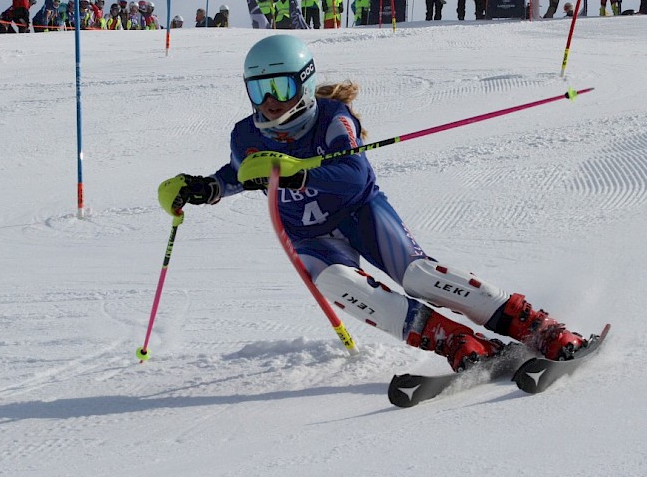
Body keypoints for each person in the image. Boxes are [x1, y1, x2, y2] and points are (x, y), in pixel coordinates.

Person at [157, 35, 592, 373]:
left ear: (304, 82)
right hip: (309, 236)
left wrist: (299, 170)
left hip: (360, 213)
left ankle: (534, 326)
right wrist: (204, 188)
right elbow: (240, 172)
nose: (271, 102)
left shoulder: (331, 117)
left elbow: (354, 174)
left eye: (281, 86)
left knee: (419, 276)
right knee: (339, 285)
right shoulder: (245, 135)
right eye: (260, 90)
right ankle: (454, 340)